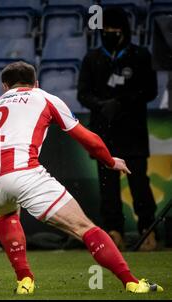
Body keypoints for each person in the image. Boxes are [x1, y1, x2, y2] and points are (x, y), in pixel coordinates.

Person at [0, 61, 163, 294]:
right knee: (84, 227)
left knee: (6, 212)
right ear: (36, 83)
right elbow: (88, 138)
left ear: (5, 86)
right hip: (22, 175)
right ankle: (132, 283)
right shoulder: (44, 97)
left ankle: (24, 281)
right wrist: (109, 161)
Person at [77, 7, 158, 251]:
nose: (109, 34)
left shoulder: (140, 55)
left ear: (124, 31)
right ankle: (114, 231)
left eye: (114, 30)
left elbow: (150, 90)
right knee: (107, 186)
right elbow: (83, 94)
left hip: (133, 131)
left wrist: (121, 102)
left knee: (139, 184)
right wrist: (101, 105)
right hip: (103, 132)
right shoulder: (92, 59)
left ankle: (147, 230)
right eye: (106, 30)